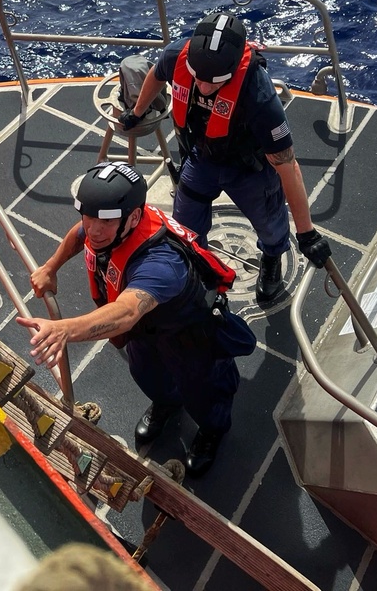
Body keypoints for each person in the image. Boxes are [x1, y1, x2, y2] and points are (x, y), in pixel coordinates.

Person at [17, 162, 256, 478]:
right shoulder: (105, 226)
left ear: (133, 217)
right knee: (147, 374)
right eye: (88, 217)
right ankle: (166, 404)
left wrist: (64, 330)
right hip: (148, 334)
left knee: (205, 393)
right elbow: (79, 235)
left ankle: (212, 431)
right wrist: (51, 267)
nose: (93, 230)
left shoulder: (161, 263)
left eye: (102, 222)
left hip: (189, 337)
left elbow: (127, 312)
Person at [118, 12, 331, 302]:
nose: (204, 88)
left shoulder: (258, 95)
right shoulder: (175, 55)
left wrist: (306, 233)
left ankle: (271, 262)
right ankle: (198, 267)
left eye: (214, 82)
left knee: (270, 225)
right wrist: (137, 111)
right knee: (185, 225)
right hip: (201, 158)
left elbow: (287, 164)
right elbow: (157, 74)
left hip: (248, 170)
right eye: (199, 79)